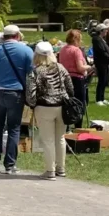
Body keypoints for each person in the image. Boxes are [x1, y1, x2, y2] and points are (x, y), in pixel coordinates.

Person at [0, 25, 34, 175]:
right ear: (17, 35)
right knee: (14, 128)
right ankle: (10, 164)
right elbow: (31, 73)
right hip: (16, 92)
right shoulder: (26, 51)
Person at [27, 41, 74, 180]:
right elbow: (70, 87)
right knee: (60, 138)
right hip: (62, 106)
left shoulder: (35, 71)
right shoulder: (60, 67)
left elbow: (30, 93)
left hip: (44, 107)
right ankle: (61, 168)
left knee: (48, 140)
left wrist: (32, 105)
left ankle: (50, 170)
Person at [58, 29, 91, 124]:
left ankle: (67, 125)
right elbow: (80, 68)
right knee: (78, 104)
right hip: (77, 79)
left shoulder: (63, 49)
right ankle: (78, 126)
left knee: (67, 103)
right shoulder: (76, 50)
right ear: (76, 39)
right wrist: (89, 67)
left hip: (65, 78)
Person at [89, 20, 109, 107]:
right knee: (101, 81)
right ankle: (98, 99)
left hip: (106, 62)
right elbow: (102, 51)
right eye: (105, 30)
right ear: (101, 31)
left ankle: (102, 98)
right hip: (101, 63)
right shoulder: (96, 39)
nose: (106, 31)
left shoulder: (102, 39)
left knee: (105, 81)